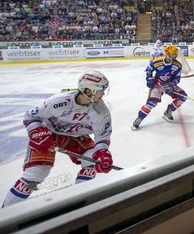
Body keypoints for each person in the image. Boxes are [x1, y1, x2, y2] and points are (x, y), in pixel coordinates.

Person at [2, 71, 113, 207]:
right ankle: (5, 213)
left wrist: (102, 153)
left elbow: (102, 135)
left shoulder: (101, 111)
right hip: (48, 135)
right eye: (101, 90)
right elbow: (30, 116)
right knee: (36, 173)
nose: (103, 94)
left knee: (92, 162)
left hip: (76, 137)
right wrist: (36, 131)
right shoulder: (58, 102)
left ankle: (80, 203)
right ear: (89, 91)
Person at [132, 45, 188, 130]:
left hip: (169, 86)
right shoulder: (156, 62)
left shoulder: (178, 65)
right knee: (151, 103)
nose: (175, 56)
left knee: (183, 96)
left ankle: (168, 112)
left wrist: (171, 85)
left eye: (175, 54)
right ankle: (139, 118)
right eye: (173, 54)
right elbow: (149, 70)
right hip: (158, 85)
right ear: (167, 54)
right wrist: (149, 78)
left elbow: (177, 78)